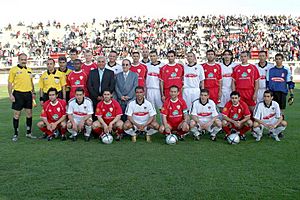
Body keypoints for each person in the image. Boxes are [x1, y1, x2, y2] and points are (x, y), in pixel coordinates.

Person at [8, 53, 36, 141]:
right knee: (17, 114)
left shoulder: (29, 70)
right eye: (22, 59)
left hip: (28, 94)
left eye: (25, 59)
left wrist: (33, 92)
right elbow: (10, 83)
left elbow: (31, 82)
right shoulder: (13, 70)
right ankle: (16, 134)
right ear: (19, 60)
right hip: (18, 94)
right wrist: (10, 94)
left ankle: (29, 133)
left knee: (29, 114)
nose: (24, 61)